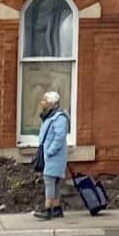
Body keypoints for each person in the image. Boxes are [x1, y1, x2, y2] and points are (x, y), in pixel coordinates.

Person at [35, 90, 71, 219]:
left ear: (51, 103)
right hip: (50, 155)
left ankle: (47, 209)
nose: (42, 103)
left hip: (54, 156)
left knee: (49, 181)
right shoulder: (50, 116)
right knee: (54, 182)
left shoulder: (59, 117)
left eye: (45, 100)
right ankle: (57, 208)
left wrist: (50, 151)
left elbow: (60, 137)